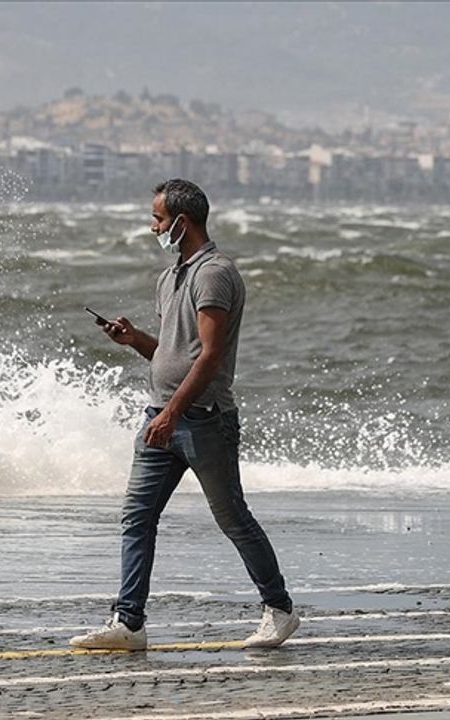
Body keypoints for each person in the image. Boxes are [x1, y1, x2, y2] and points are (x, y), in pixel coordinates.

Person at [70, 179, 299, 651]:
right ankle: (129, 623)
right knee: (137, 517)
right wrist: (135, 340)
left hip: (203, 419)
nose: (152, 227)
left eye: (157, 219)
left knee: (232, 518)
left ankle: (279, 610)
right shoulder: (169, 277)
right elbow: (174, 351)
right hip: (161, 417)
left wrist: (173, 414)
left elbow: (210, 356)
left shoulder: (214, 274)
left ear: (181, 222)